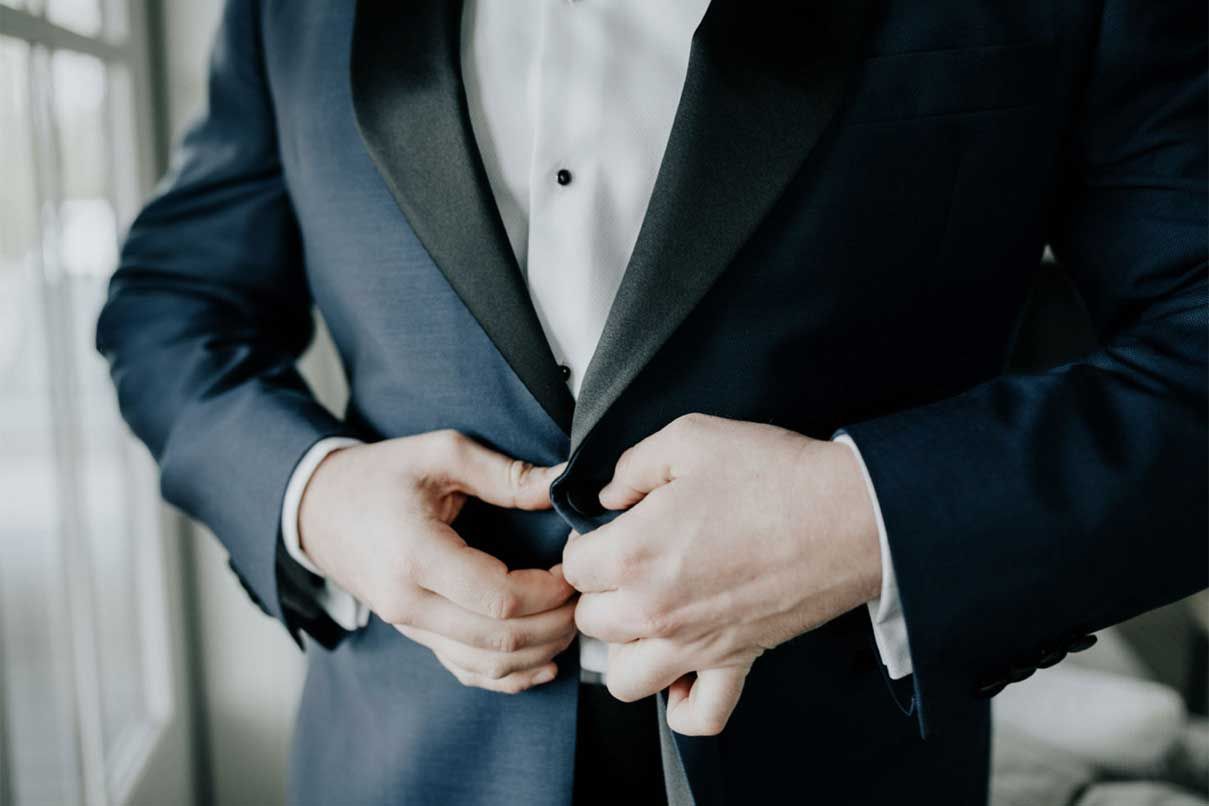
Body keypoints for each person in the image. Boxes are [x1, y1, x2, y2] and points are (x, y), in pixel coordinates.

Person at [96, 1, 1208, 804]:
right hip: (402, 763)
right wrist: (320, 498)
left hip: (845, 766)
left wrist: (863, 517)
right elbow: (171, 304)